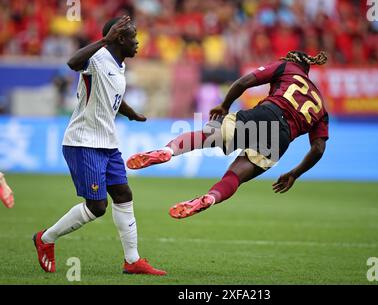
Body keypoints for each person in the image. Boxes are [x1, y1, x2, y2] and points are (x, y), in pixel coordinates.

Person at [33, 16, 166, 275]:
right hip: (84, 142)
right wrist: (104, 40)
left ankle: (132, 260)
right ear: (119, 39)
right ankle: (45, 239)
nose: (138, 42)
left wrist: (129, 112)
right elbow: (72, 63)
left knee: (123, 194)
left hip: (108, 143)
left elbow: (112, 95)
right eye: (133, 37)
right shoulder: (97, 59)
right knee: (97, 207)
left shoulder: (120, 65)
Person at [127, 50, 329, 219]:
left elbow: (245, 81)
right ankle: (211, 197)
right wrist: (295, 173)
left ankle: (167, 151)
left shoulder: (286, 67)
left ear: (291, 61)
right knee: (236, 175)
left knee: (207, 136)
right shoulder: (320, 105)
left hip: (267, 113)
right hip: (281, 139)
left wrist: (225, 105)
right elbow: (318, 148)